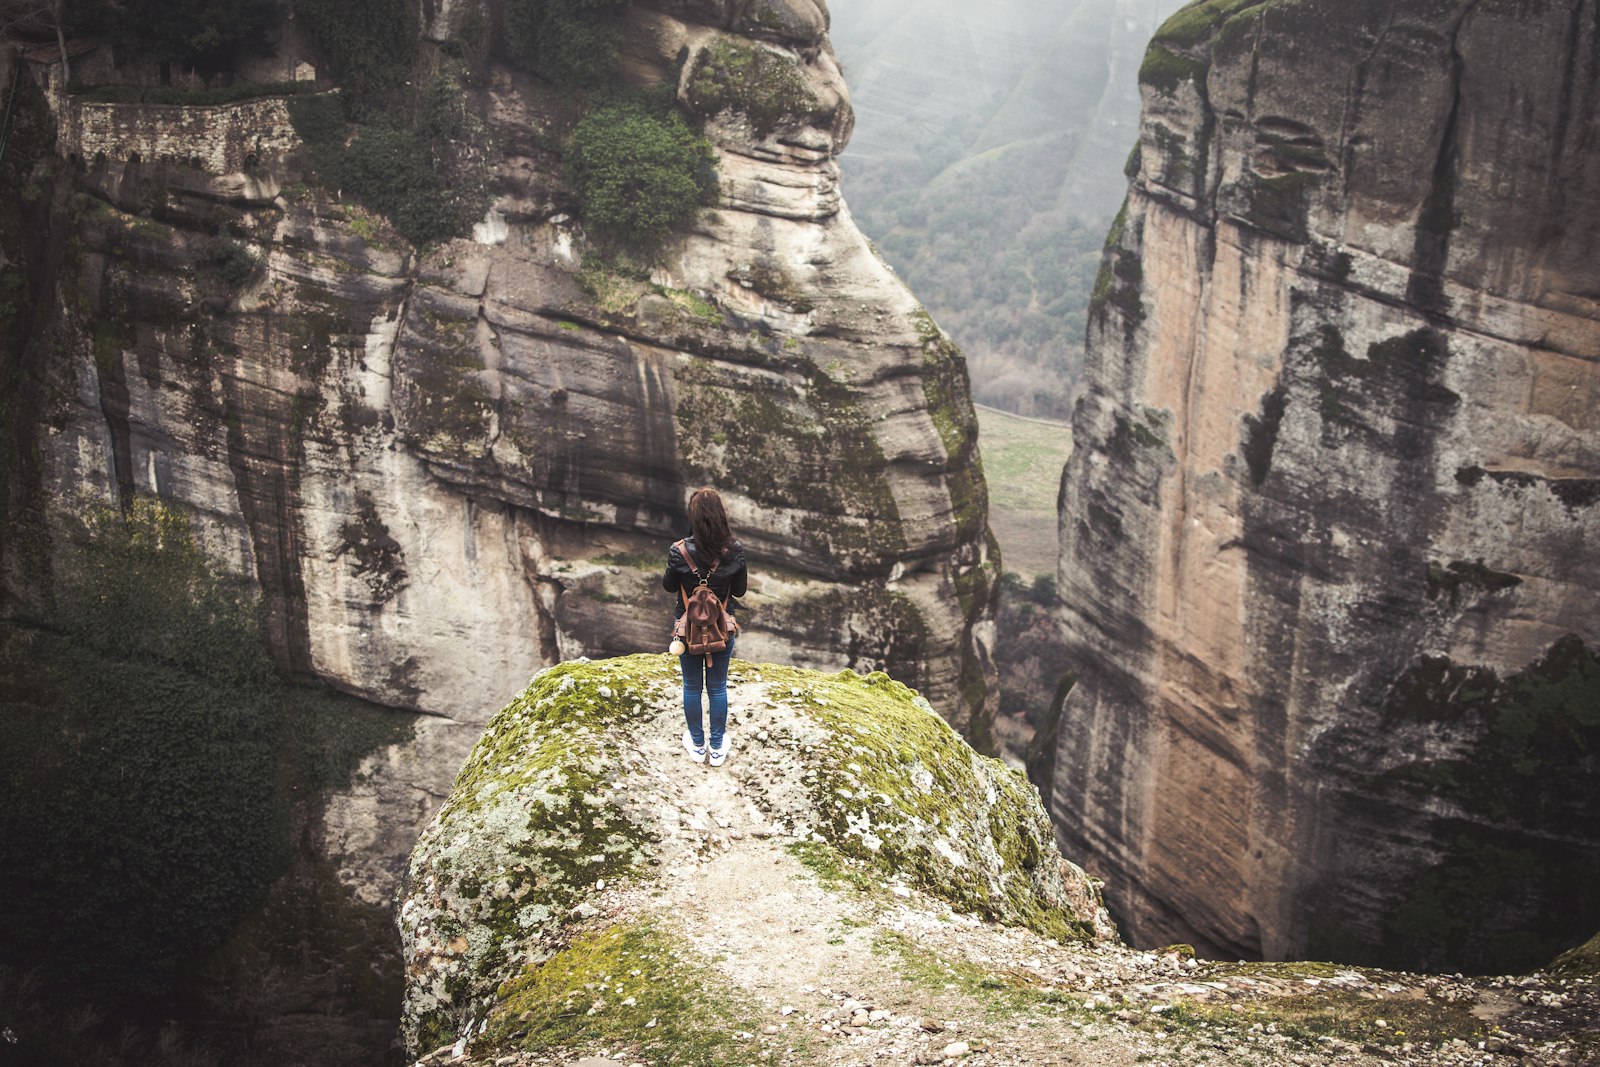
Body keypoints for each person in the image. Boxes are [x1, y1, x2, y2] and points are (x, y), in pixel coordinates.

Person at [663, 487, 747, 767]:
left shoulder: (678, 551)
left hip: (686, 630)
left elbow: (669, 586)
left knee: (691, 687)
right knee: (717, 688)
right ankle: (719, 746)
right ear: (720, 515)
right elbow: (741, 590)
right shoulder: (735, 550)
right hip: (722, 628)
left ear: (694, 517)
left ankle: (698, 746)